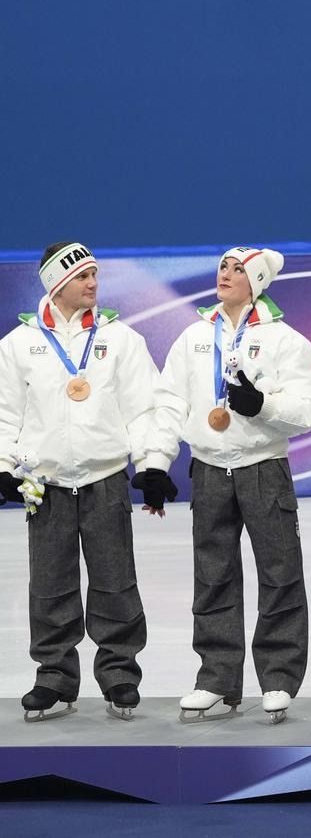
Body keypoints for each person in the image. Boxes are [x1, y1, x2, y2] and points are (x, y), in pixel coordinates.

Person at [144, 247, 311, 724]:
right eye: (223, 266)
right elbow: (169, 403)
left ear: (257, 282)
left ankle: (279, 677)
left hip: (263, 468)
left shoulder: (285, 339)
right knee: (212, 577)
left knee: (280, 574)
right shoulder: (193, 337)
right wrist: (156, 461)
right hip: (208, 470)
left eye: (238, 269)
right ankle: (217, 679)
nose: (225, 273)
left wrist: (263, 405)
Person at [0, 242, 161, 722]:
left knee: (115, 581)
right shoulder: (18, 345)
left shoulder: (121, 339)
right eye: (82, 276)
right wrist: (4, 465)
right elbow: (5, 413)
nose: (93, 283)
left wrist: (150, 463)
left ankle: (119, 673)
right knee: (50, 585)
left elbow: (144, 408)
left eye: (94, 274)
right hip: (44, 484)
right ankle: (54, 676)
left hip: (104, 478)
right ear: (56, 283)